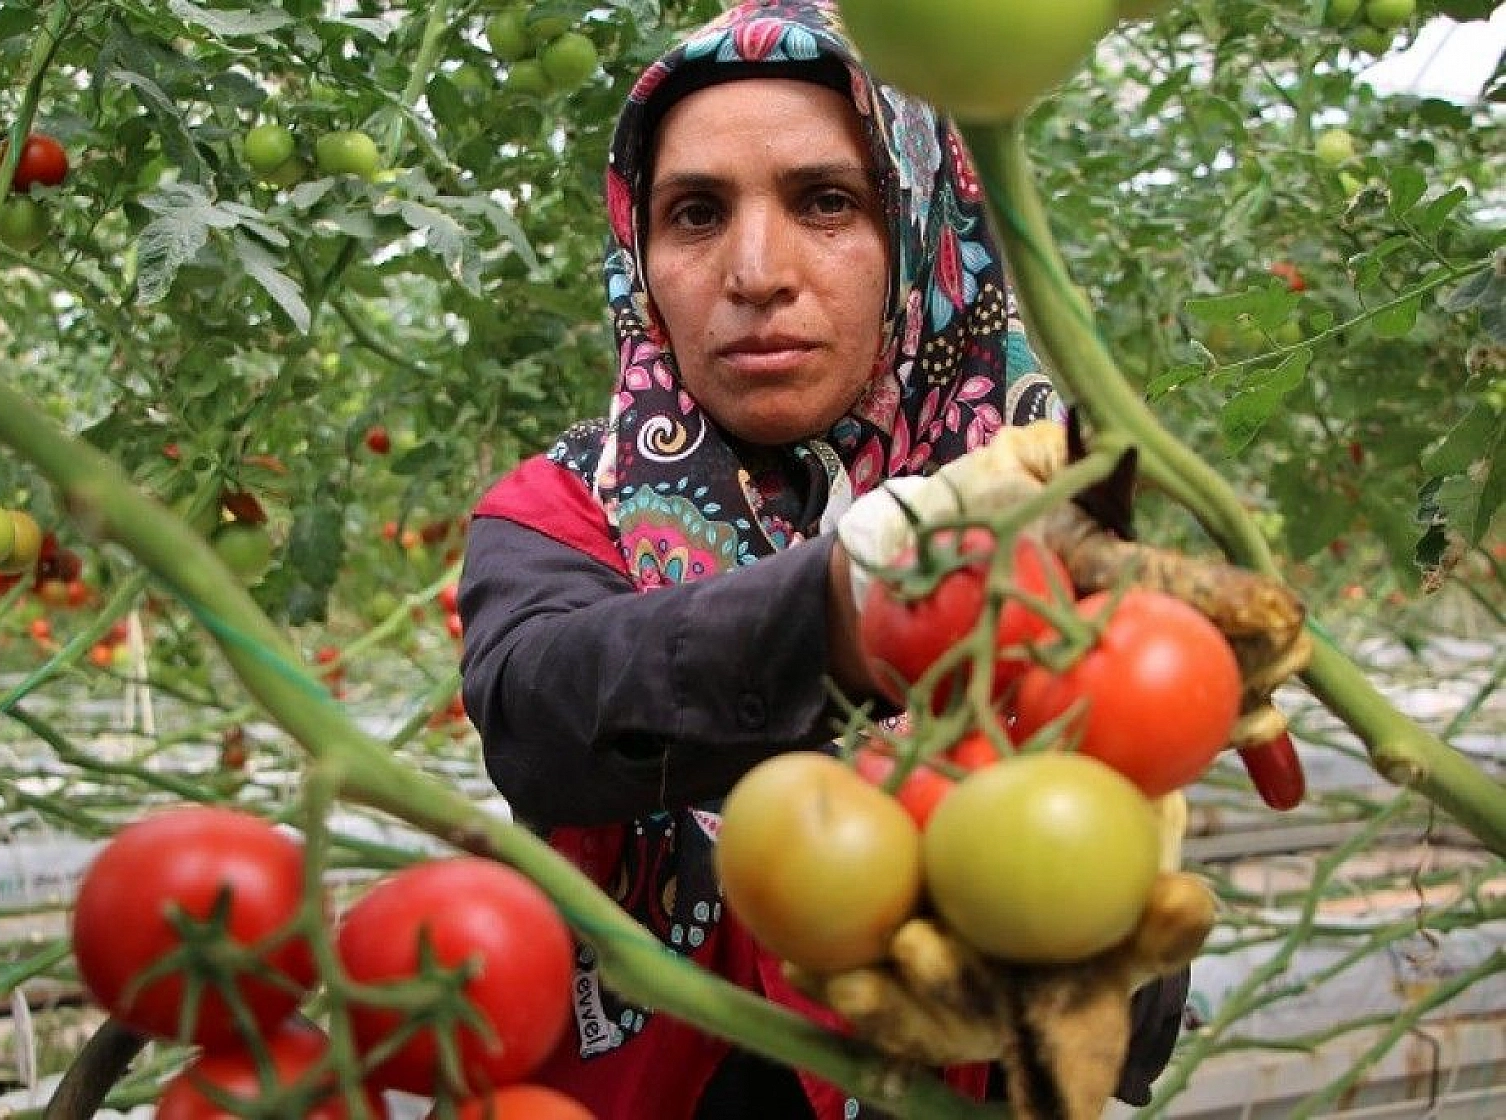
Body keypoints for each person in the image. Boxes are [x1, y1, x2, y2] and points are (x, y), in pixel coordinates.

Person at [457, 2, 1186, 1116]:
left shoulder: (1056, 499)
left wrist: (1100, 922)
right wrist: (869, 590)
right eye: (695, 213)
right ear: (637, 255)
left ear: (921, 228)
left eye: (827, 202)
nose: (755, 270)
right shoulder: (558, 505)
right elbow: (542, 712)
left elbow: (1118, 1027)